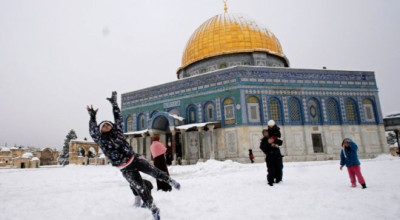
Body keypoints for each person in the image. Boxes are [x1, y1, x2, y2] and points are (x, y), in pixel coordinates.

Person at [87, 91, 181, 220]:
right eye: (104, 126)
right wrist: (92, 117)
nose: (107, 126)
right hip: (125, 167)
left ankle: (170, 181)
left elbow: (118, 118)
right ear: (101, 129)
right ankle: (153, 208)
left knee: (154, 171)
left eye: (108, 124)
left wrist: (114, 104)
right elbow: (93, 131)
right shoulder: (101, 140)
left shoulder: (118, 132)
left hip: (134, 159)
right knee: (140, 187)